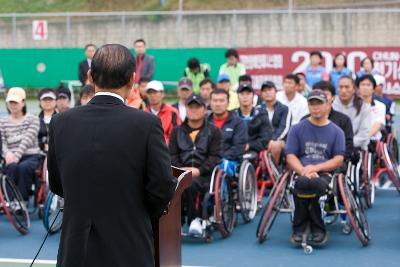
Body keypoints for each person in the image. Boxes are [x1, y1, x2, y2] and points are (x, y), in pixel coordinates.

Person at [47, 44, 177, 267]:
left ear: (89, 76)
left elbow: (58, 184)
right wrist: (138, 214)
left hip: (76, 249)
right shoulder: (146, 124)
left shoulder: (61, 122)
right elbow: (163, 187)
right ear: (132, 80)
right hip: (129, 246)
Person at [286, 89, 345, 245]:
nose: (315, 107)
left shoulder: (337, 132)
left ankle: (317, 227)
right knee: (302, 183)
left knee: (317, 184)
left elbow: (338, 159)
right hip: (301, 171)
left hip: (324, 174)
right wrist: (304, 171)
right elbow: (290, 155)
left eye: (319, 103)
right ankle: (300, 227)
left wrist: (316, 168)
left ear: (328, 105)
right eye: (312, 104)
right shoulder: (297, 129)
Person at [169, 94, 221, 236]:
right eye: (190, 107)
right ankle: (175, 222)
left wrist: (199, 170)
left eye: (197, 107)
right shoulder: (176, 131)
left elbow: (215, 157)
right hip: (180, 173)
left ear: (204, 109)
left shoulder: (214, 131)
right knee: (168, 183)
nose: (194, 110)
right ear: (185, 109)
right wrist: (181, 170)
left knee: (191, 183)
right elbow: (172, 155)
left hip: (204, 175)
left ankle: (195, 219)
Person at [0, 87, 41, 201]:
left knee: (23, 168)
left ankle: (21, 201)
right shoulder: (2, 122)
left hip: (30, 156)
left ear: (23, 102)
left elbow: (26, 141)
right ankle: (11, 200)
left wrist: (16, 156)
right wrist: (7, 153)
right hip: (10, 157)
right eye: (10, 102)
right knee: (11, 167)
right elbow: (2, 141)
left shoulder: (33, 119)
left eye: (15, 102)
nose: (13, 105)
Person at [305, 81, 355, 159]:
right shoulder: (304, 121)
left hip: (334, 164)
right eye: (317, 94)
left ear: (333, 97)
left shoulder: (344, 120)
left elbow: (348, 147)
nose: (321, 98)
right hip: (306, 164)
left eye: (325, 94)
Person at [207, 89, 247, 164]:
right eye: (215, 100)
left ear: (228, 103)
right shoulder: (204, 122)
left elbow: (238, 148)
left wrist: (216, 158)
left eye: (221, 101)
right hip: (204, 163)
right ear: (210, 103)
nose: (218, 104)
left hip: (227, 163)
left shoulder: (239, 123)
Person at [333, 75, 371, 151]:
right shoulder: (331, 105)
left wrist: (345, 144)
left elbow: (363, 135)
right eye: (341, 87)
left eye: (347, 87)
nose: (343, 90)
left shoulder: (364, 107)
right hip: (333, 147)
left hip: (356, 148)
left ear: (354, 89)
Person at [233, 84, 273, 153]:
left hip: (254, 151)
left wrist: (250, 145)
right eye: (242, 94)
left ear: (253, 96)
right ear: (238, 96)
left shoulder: (261, 114)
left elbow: (266, 137)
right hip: (234, 150)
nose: (245, 97)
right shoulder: (232, 115)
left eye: (248, 94)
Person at [259, 81, 291, 165]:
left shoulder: (284, 109)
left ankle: (274, 171)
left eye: (270, 90)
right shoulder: (258, 109)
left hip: (279, 140)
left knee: (275, 145)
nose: (267, 93)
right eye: (265, 91)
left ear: (275, 91)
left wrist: (273, 139)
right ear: (261, 94)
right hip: (262, 140)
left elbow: (284, 128)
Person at [356, 74, 386, 141]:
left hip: (373, 141)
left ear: (373, 89)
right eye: (363, 85)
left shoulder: (380, 106)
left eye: (368, 85)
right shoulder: (352, 106)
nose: (365, 87)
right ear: (358, 88)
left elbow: (377, 125)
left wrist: (363, 139)